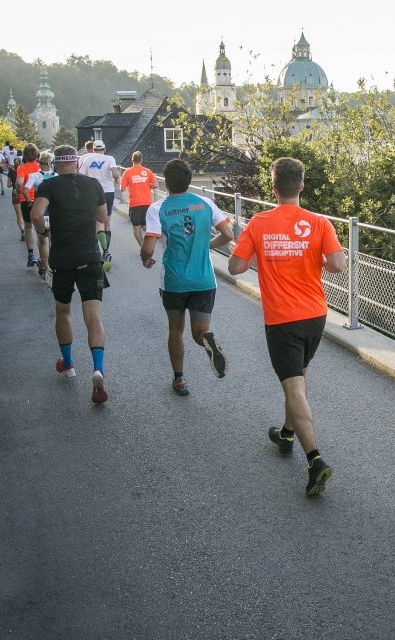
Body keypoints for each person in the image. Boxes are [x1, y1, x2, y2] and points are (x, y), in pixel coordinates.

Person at [228, 157, 346, 497]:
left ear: (274, 188)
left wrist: (260, 257)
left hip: (282, 319)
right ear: (302, 186)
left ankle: (315, 461)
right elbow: (338, 264)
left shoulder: (259, 223)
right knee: (300, 375)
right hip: (316, 316)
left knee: (293, 387)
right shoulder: (319, 222)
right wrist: (312, 257)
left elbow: (236, 266)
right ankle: (286, 434)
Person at [140, 159, 234, 396]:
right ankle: (207, 339)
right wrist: (206, 245)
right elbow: (228, 234)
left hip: (174, 281)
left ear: (166, 183)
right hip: (203, 279)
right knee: (199, 332)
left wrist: (145, 257)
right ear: (189, 181)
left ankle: (179, 379)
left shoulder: (157, 208)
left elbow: (149, 247)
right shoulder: (206, 203)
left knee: (176, 330)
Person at [30, 145, 110, 404]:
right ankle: (97, 369)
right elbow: (103, 217)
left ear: (56, 164)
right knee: (94, 316)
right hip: (90, 257)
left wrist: (43, 233)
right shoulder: (92, 185)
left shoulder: (48, 186)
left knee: (63, 312)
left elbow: (36, 214)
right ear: (76, 163)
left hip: (62, 259)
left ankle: (68, 363)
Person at [80, 140, 119, 272]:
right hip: (108, 191)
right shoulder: (110, 158)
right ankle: (106, 251)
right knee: (107, 221)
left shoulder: (87, 159)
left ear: (93, 149)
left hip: (93, 192)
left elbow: (81, 176)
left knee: (97, 222)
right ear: (104, 148)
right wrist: (116, 181)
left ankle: (104, 250)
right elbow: (115, 174)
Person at [24, 151, 57, 287]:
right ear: (51, 163)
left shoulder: (35, 176)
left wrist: (30, 201)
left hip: (42, 211)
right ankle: (55, 266)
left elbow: (25, 189)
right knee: (54, 240)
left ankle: (44, 268)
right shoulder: (56, 176)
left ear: (39, 162)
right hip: (55, 211)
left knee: (42, 240)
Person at [120, 150, 157, 247]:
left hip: (134, 204)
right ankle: (149, 247)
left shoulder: (127, 172)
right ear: (141, 160)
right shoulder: (148, 171)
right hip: (147, 203)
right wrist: (147, 184)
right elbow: (156, 185)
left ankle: (142, 247)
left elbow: (122, 189)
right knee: (148, 227)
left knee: (136, 228)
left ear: (132, 160)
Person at [16, 144, 42, 270]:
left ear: (24, 156)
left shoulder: (22, 168)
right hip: (40, 200)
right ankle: (44, 256)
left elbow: (19, 183)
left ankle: (31, 254)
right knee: (42, 229)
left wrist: (17, 189)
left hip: (26, 201)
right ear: (37, 156)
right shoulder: (41, 167)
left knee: (28, 226)